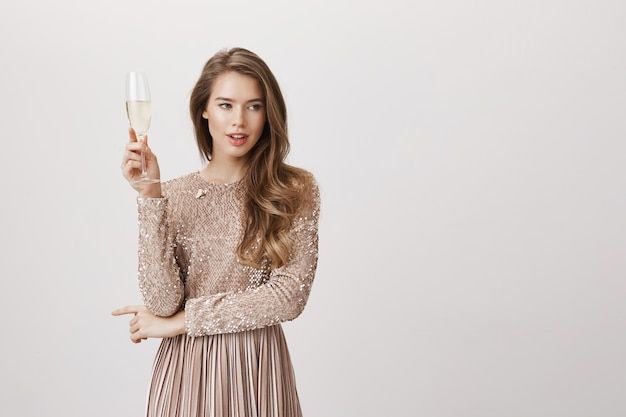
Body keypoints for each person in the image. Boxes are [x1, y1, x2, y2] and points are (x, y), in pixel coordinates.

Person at [112, 47, 320, 417]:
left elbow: (288, 297)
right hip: (186, 370)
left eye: (254, 106)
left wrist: (183, 322)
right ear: (204, 110)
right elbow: (162, 302)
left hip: (258, 367)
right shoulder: (171, 195)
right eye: (226, 105)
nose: (239, 120)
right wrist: (150, 197)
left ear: (268, 114)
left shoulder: (293, 191)